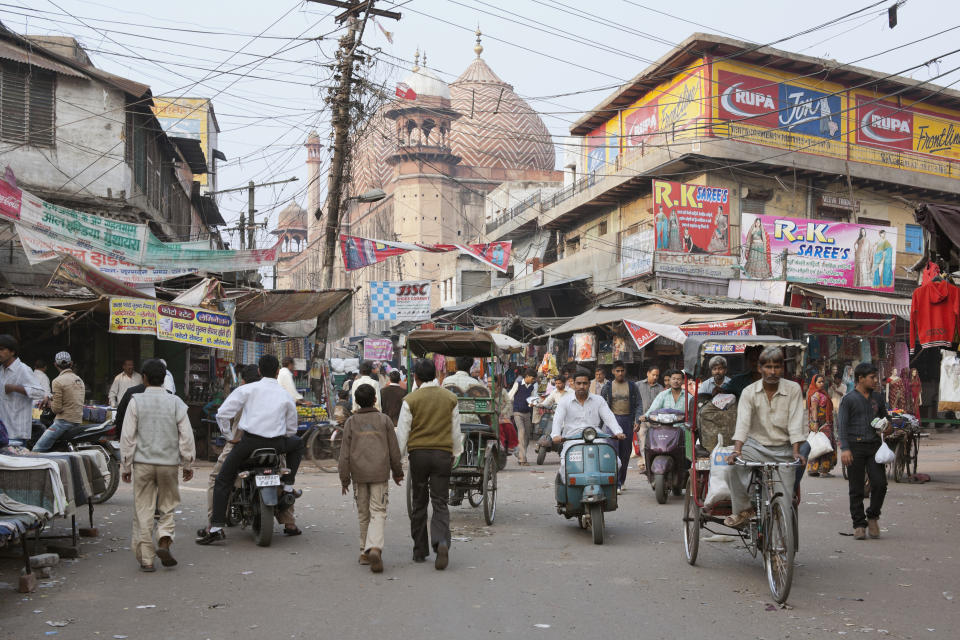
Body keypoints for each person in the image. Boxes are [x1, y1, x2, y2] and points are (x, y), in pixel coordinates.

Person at [196, 355, 304, 545]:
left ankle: (216, 527)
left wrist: (230, 437)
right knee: (297, 443)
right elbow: (292, 428)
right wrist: (281, 436)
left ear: (260, 371)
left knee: (222, 479)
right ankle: (288, 485)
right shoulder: (285, 394)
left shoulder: (246, 389)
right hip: (276, 446)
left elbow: (222, 414)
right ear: (278, 372)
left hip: (249, 445)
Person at [119, 359, 195, 571]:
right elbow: (187, 436)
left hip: (142, 463)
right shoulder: (176, 402)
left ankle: (147, 559)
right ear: (164, 379)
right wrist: (187, 462)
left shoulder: (136, 401)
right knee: (167, 506)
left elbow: (128, 437)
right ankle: (164, 537)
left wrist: (125, 466)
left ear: (143, 378)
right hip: (168, 464)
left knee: (143, 509)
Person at [724, 347, 806, 529]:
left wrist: (795, 452)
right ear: (760, 368)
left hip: (784, 449)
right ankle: (744, 510)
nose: (772, 371)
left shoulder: (793, 389)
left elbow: (796, 422)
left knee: (784, 503)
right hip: (755, 447)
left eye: (777, 367)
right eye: (768, 367)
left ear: (782, 368)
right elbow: (743, 423)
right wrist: (737, 450)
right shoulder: (749, 391)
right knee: (731, 470)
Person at [396, 359, 462, 569]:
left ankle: (419, 549)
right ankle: (441, 541)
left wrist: (397, 459)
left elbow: (403, 432)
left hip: (419, 455)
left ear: (415, 377)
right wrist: (456, 452)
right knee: (440, 502)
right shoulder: (450, 398)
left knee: (419, 502)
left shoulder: (410, 400)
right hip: (442, 454)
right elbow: (455, 430)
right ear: (435, 375)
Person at [339, 384, 404, 573]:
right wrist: (397, 472)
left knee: (363, 513)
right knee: (378, 511)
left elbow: (344, 455)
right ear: (375, 399)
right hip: (379, 474)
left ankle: (364, 552)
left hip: (358, 475)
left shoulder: (351, 422)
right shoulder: (384, 421)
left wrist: (344, 479)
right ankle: (374, 547)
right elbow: (394, 450)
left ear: (357, 402)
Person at [836, 363, 889, 540]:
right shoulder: (848, 399)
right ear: (860, 379)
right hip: (855, 447)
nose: (876, 380)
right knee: (856, 488)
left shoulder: (878, 399)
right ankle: (859, 523)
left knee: (880, 483)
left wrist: (887, 427)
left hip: (874, 446)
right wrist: (845, 449)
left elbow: (885, 420)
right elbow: (842, 425)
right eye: (872, 377)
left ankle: (873, 516)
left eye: (876, 377)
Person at [550, 368, 626, 481]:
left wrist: (618, 432)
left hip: (596, 438)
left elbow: (609, 417)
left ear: (589, 384)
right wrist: (555, 435)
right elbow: (557, 419)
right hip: (572, 439)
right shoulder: (564, 401)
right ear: (573, 384)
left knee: (616, 462)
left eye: (585, 383)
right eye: (579, 383)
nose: (581, 386)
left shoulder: (598, 400)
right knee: (565, 466)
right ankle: (570, 495)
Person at [600, 361, 641, 492]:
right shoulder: (607, 387)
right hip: (613, 421)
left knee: (625, 453)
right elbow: (601, 406)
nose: (620, 373)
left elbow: (639, 403)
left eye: (622, 370)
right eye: (617, 371)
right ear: (613, 372)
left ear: (625, 371)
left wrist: (637, 420)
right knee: (613, 453)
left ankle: (622, 481)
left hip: (627, 420)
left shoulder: (632, 386)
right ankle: (615, 483)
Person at [33, 352, 85, 452]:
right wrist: (49, 397)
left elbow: (56, 409)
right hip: (77, 421)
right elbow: (69, 396)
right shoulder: (79, 380)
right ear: (71, 363)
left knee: (37, 449)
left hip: (63, 422)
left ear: (55, 365)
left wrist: (49, 404)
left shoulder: (57, 381)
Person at [0, 334, 46, 446]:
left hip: (17, 433)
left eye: (1, 349)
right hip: (3, 433)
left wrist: (15, 388)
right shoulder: (1, 371)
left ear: (12, 352)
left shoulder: (23, 370)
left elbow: (39, 392)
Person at [115, 360, 172, 434]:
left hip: (134, 442)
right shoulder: (173, 399)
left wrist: (120, 437)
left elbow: (120, 418)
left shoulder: (132, 396)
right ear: (164, 378)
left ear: (144, 377)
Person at [443, 356, 489, 426]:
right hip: (472, 425)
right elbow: (483, 411)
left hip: (450, 424)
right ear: (470, 367)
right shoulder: (475, 383)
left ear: (456, 365)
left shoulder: (446, 381)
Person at [806, 373, 836, 477]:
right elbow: (813, 409)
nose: (822, 384)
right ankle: (823, 470)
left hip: (824, 423)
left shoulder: (822, 393)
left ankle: (814, 469)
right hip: (820, 423)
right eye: (819, 382)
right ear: (814, 383)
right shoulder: (815, 394)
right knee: (822, 445)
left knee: (820, 445)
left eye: (823, 381)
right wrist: (815, 423)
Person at [508, 367, 537, 465]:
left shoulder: (532, 387)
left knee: (527, 436)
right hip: (517, 413)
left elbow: (532, 399)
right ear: (527, 376)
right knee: (522, 432)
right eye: (532, 378)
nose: (533, 381)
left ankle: (519, 453)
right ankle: (522, 459)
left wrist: (532, 404)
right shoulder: (518, 384)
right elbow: (510, 397)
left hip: (527, 413)